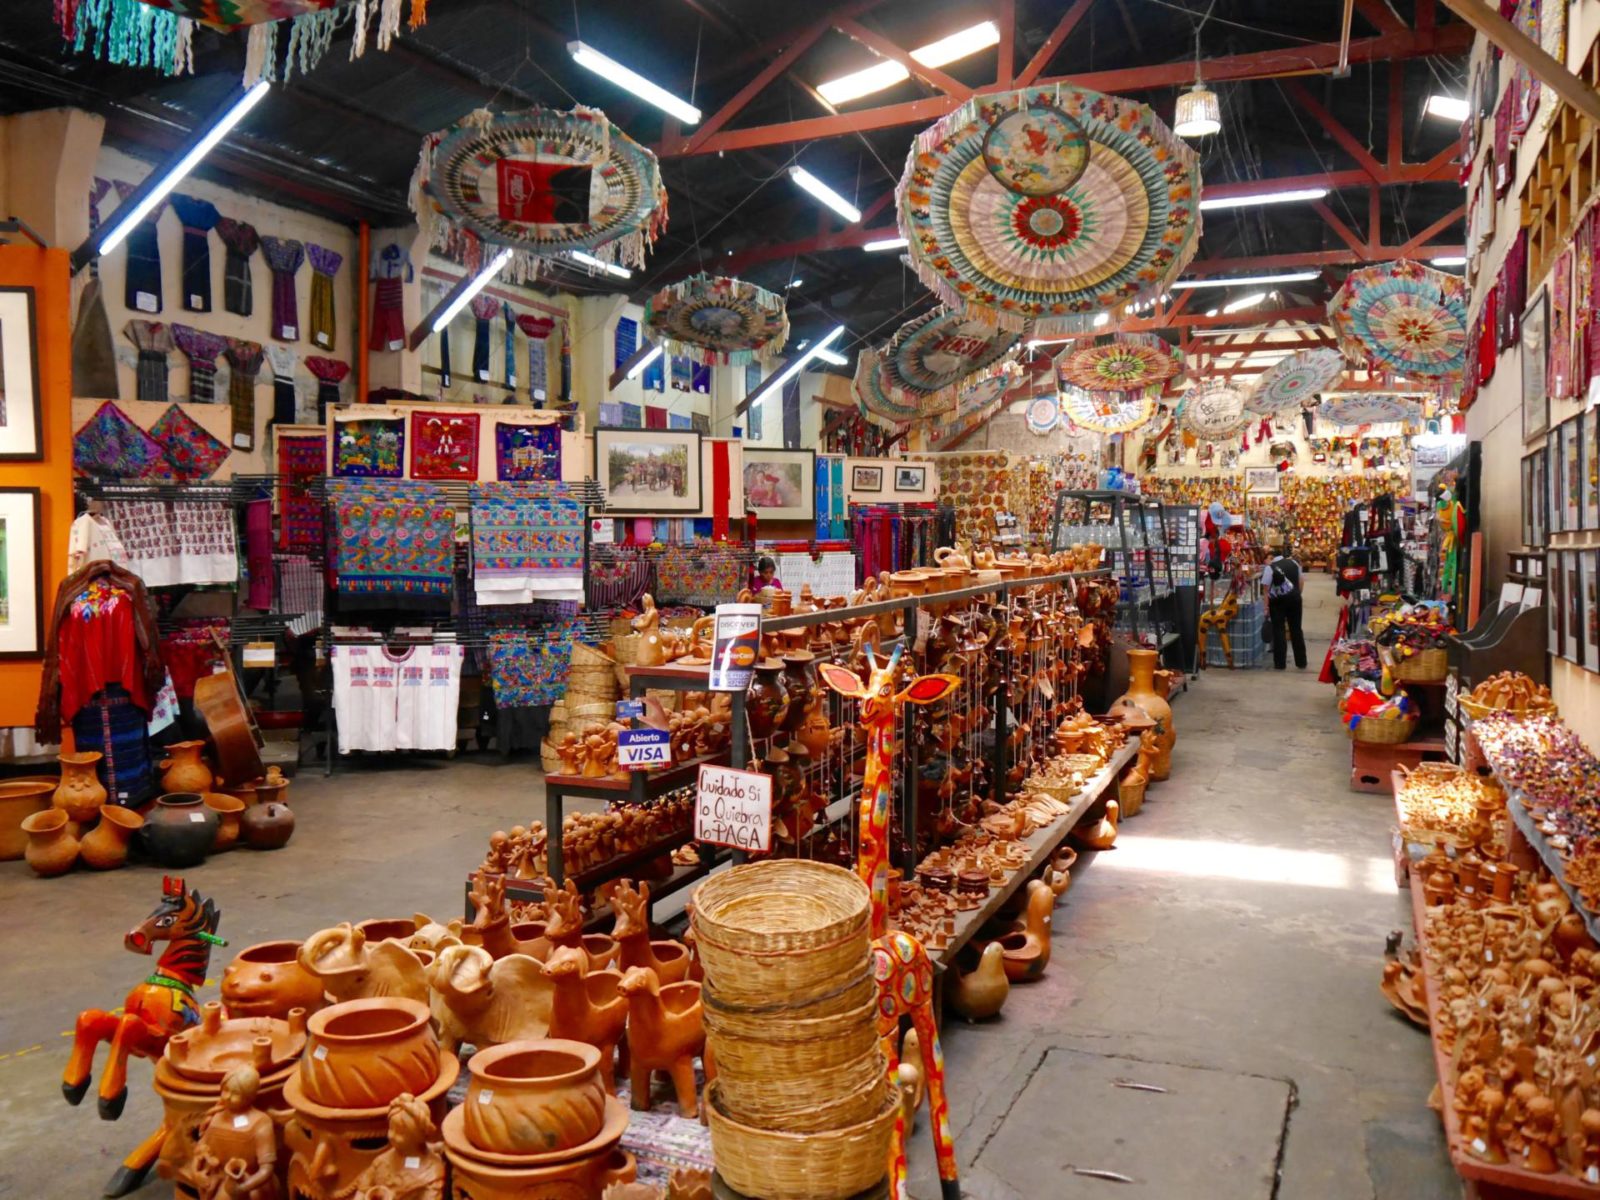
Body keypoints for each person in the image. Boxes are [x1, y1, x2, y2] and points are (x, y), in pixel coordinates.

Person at [1262, 542, 1307, 670]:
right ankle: (1301, 662)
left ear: (1271, 557)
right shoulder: (1294, 563)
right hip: (1295, 600)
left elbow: (1266, 590)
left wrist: (1266, 607)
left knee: (1279, 630)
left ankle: (1280, 663)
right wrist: (1297, 594)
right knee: (1296, 629)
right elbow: (1301, 581)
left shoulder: (1270, 568)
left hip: (1277, 602)